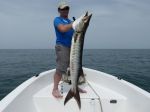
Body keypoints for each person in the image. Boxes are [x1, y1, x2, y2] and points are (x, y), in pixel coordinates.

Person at [52, 2, 86, 98]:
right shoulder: (57, 20)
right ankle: (55, 89)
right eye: (63, 9)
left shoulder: (71, 22)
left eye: (66, 8)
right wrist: (74, 24)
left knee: (75, 68)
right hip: (62, 46)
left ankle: (74, 87)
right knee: (61, 68)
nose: (65, 10)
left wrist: (76, 25)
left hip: (73, 48)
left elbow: (77, 34)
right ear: (59, 10)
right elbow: (62, 29)